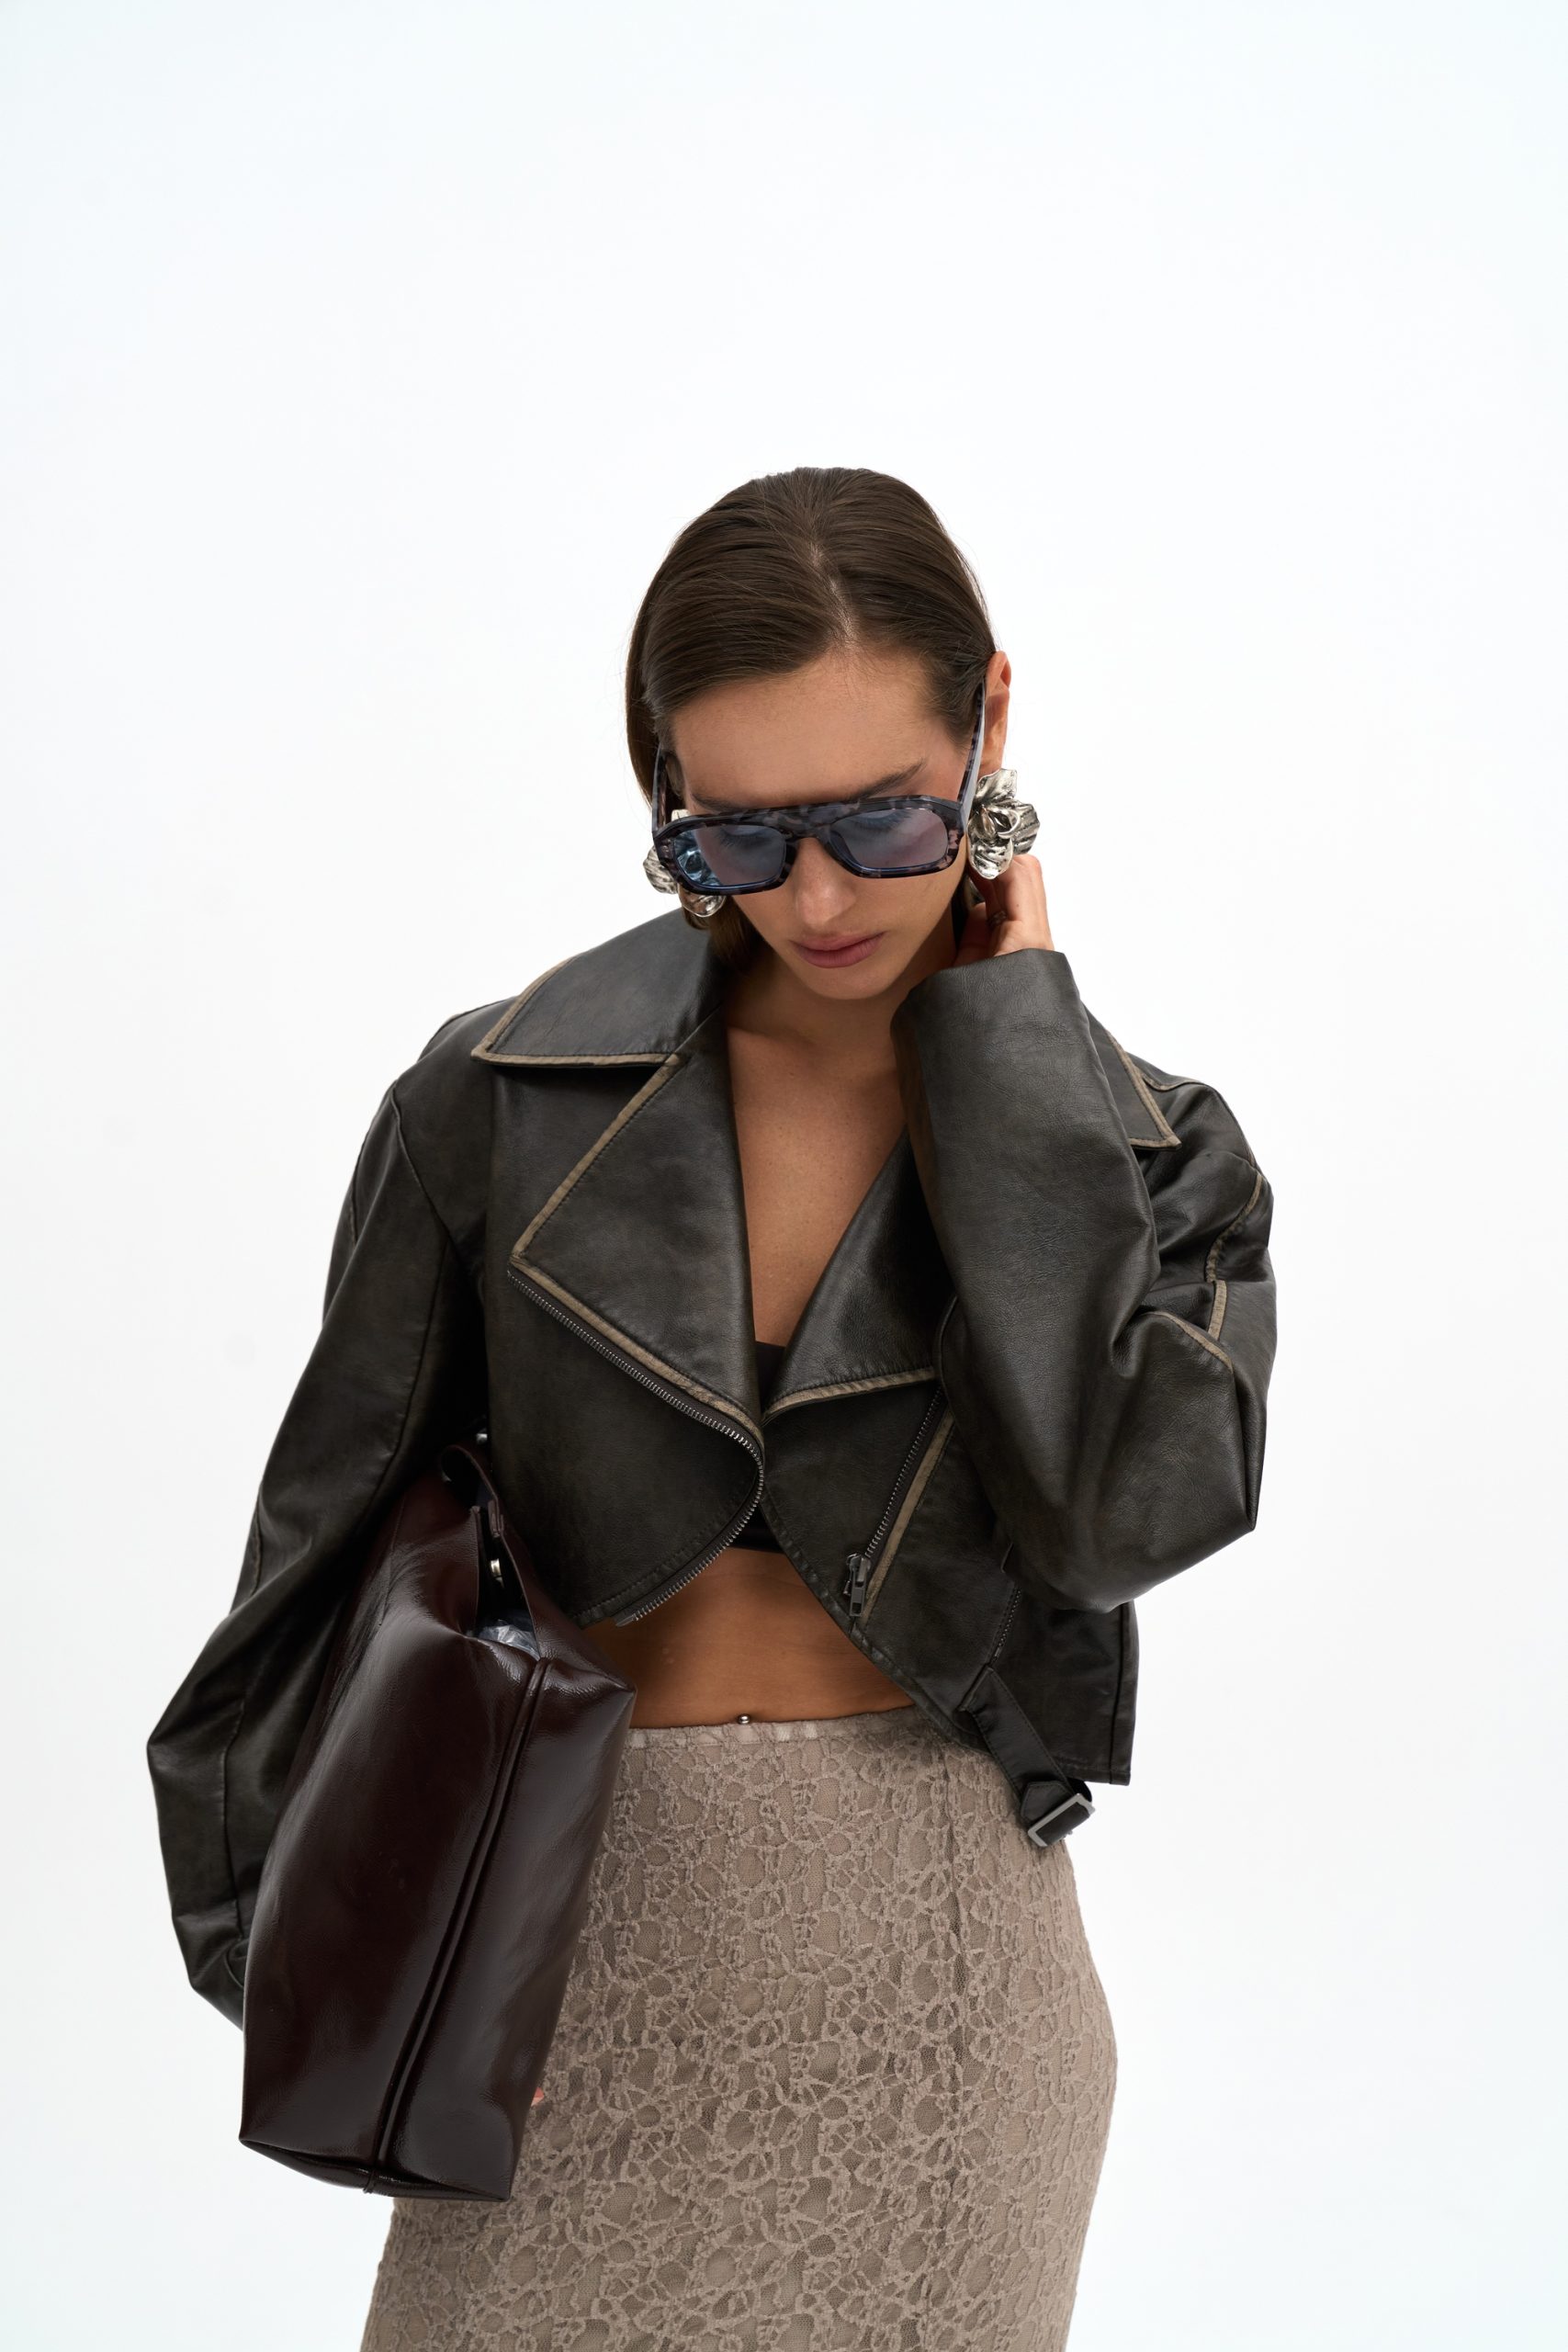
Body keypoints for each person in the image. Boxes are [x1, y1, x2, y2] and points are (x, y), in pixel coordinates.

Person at [147, 466, 1277, 2351]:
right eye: (736, 837)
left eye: (885, 819)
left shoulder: (1155, 1156)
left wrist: (1010, 1062)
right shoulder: (492, 1098)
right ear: (665, 788)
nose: (818, 898)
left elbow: (1114, 1520)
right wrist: (323, 1969)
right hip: (550, 1975)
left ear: (989, 723)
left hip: (942, 2010)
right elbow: (302, 1575)